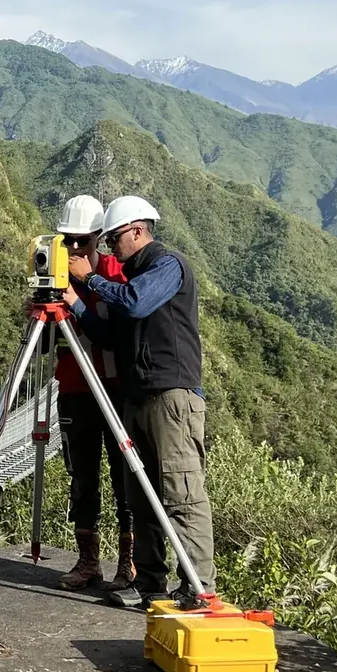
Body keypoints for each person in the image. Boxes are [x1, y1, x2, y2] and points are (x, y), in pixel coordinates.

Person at [64, 195, 215, 608]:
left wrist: (91, 279)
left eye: (113, 239)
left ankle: (198, 587)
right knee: (142, 497)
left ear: (137, 230)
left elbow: (136, 302)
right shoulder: (132, 276)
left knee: (181, 493)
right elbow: (109, 334)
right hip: (136, 399)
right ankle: (149, 584)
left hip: (171, 396)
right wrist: (73, 301)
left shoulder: (167, 265)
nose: (110, 248)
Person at [50, 195, 135, 593]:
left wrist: (82, 287)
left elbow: (118, 332)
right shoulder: (54, 274)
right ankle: (88, 563)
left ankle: (128, 564)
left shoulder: (118, 273)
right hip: (74, 390)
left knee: (125, 478)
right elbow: (48, 341)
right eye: (67, 241)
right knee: (82, 478)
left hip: (115, 390)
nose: (74, 250)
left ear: (98, 238)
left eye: (82, 241)